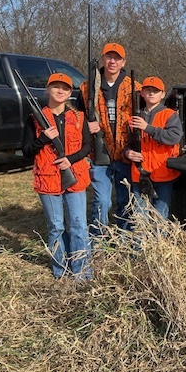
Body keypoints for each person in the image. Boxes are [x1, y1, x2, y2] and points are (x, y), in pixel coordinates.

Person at [22, 73, 93, 280]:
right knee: (56, 227)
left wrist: (70, 159)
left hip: (75, 176)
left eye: (65, 88)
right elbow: (26, 150)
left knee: (79, 225)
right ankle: (60, 271)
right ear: (48, 89)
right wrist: (44, 138)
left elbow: (87, 146)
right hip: (47, 177)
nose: (60, 91)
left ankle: (82, 272)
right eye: (56, 87)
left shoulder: (79, 117)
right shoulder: (35, 119)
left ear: (70, 92)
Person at [78, 42, 142, 234]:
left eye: (117, 58)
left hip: (125, 153)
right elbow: (75, 116)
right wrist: (85, 125)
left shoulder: (135, 88)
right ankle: (98, 238)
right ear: (103, 59)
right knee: (102, 200)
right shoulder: (87, 88)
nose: (112, 61)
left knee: (125, 198)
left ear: (124, 62)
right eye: (109, 57)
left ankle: (124, 236)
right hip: (99, 152)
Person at [125, 76, 183, 219]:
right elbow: (127, 144)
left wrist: (147, 128)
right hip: (140, 175)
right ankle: (140, 242)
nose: (151, 93)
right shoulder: (133, 118)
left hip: (163, 174)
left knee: (160, 216)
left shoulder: (170, 115)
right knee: (140, 217)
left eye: (155, 91)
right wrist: (128, 153)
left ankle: (158, 241)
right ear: (142, 94)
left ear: (163, 94)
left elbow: (174, 137)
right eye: (148, 90)